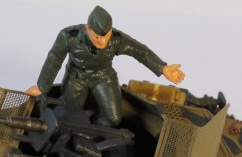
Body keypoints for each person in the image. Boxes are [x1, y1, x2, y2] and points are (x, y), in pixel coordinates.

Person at [26, 5, 185, 127]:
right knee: (68, 115)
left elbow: (140, 51)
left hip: (103, 76)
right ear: (88, 28)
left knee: (114, 118)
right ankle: (76, 132)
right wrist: (42, 87)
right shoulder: (68, 36)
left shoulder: (117, 39)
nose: (103, 42)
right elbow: (54, 59)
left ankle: (96, 131)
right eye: (97, 37)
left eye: (106, 36)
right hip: (76, 77)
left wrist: (163, 68)